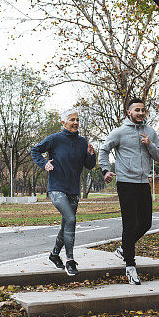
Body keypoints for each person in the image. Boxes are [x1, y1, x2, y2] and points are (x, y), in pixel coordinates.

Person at [99, 98, 159, 285]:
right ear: (129, 112)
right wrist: (105, 170)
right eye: (137, 110)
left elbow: (158, 155)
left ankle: (124, 249)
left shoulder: (150, 131)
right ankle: (130, 265)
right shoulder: (119, 132)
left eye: (143, 110)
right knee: (130, 223)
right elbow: (104, 150)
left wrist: (150, 144)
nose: (141, 113)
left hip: (143, 182)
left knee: (146, 223)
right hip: (126, 182)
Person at [31, 108, 96, 277]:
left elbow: (88, 165)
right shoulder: (55, 139)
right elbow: (35, 150)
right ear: (63, 122)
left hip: (73, 190)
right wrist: (44, 163)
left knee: (66, 224)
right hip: (56, 188)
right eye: (72, 119)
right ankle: (70, 260)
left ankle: (54, 255)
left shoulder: (82, 142)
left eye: (77, 120)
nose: (75, 123)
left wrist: (91, 156)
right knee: (71, 219)